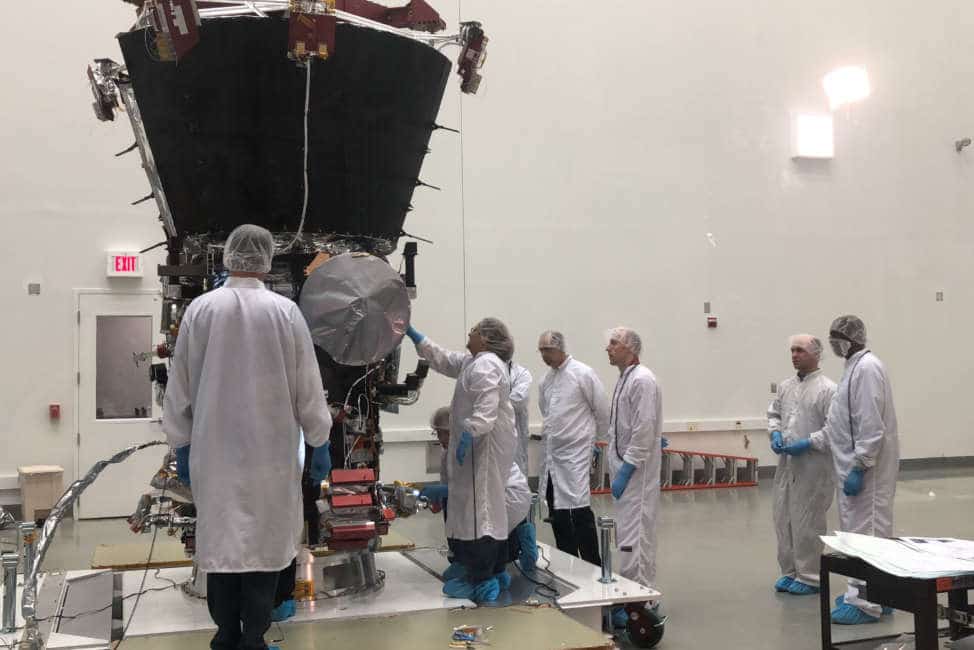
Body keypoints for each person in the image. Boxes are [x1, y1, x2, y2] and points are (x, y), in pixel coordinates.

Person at [163, 224, 333, 650]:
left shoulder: (201, 310)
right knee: (263, 546)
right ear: (267, 259)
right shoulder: (285, 312)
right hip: (271, 457)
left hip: (214, 455)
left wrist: (180, 442)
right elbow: (307, 386)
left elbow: (179, 385)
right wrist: (319, 438)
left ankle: (225, 637)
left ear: (229, 257)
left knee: (222, 547)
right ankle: (254, 638)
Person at [405, 319, 517, 603]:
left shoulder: (487, 364)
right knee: (474, 507)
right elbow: (443, 359)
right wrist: (414, 335)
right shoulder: (473, 361)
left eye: (476, 330)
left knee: (482, 511)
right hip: (477, 443)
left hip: (485, 446)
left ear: (488, 339)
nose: (470, 332)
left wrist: (469, 432)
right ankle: (482, 568)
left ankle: (485, 576)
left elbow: (486, 409)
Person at [821, 315, 899, 625]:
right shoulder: (853, 367)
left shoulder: (866, 369)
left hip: (868, 471)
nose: (833, 343)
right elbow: (843, 419)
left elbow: (870, 424)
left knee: (867, 535)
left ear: (851, 339)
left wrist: (861, 464)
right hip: (853, 468)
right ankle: (882, 594)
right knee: (858, 533)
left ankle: (867, 602)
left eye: (836, 337)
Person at [421, 405, 538, 582]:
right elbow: (450, 490)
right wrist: (435, 500)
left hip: (511, 494)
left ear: (453, 430)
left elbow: (478, 489)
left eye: (441, 433)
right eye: (436, 433)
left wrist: (446, 492)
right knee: (455, 505)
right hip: (494, 497)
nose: (439, 438)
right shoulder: (447, 455)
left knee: (486, 533)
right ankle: (464, 559)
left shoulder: (476, 448)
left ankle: (479, 566)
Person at [769, 335, 837, 596]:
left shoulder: (828, 389)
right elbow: (774, 413)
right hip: (787, 464)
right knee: (783, 516)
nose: (794, 355)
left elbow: (834, 429)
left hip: (813, 466)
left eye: (800, 350)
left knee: (807, 520)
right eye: (792, 350)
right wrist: (775, 433)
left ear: (816, 354)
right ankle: (789, 571)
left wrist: (808, 442)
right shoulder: (786, 387)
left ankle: (809, 576)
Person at [605, 327, 663, 628]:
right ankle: (630, 595)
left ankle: (641, 601)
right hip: (625, 469)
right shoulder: (625, 379)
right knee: (626, 536)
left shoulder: (642, 379)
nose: (608, 348)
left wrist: (627, 468)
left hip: (636, 474)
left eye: (614, 343)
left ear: (630, 348)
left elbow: (643, 429)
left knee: (635, 537)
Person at [536, 330, 609, 565]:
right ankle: (567, 566)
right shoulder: (546, 380)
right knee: (558, 516)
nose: (543, 355)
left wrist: (597, 442)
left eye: (547, 350)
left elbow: (602, 411)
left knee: (578, 513)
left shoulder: (583, 374)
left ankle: (592, 567)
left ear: (559, 348)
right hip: (552, 458)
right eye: (541, 351)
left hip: (575, 456)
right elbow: (547, 413)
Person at [509, 360, 533, 476]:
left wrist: (490, 401)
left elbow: (517, 401)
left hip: (514, 437)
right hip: (487, 438)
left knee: (515, 477)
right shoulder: (481, 370)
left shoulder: (520, 374)